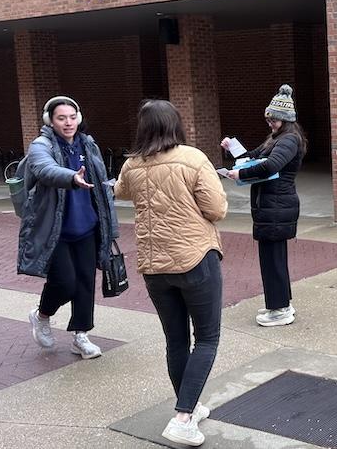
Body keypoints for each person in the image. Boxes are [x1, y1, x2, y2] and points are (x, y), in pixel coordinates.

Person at [114, 99, 227, 447]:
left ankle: (189, 408)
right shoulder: (193, 158)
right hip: (195, 258)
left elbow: (119, 191)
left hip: (154, 266)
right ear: (175, 124)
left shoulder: (132, 165)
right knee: (206, 338)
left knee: (175, 340)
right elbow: (218, 208)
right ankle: (182, 418)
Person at [17, 95, 119, 360]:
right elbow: (44, 169)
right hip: (56, 230)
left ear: (79, 118)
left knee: (85, 283)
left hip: (87, 226)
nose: (68, 122)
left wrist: (111, 224)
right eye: (61, 118)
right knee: (65, 282)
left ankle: (81, 336)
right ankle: (42, 315)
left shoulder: (88, 144)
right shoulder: (41, 145)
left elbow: (101, 183)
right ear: (50, 121)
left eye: (72, 117)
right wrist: (72, 177)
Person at [222, 84, 306, 327]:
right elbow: (251, 157)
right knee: (271, 259)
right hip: (271, 205)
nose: (270, 123)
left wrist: (242, 175)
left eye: (274, 120)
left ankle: (280, 309)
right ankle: (279, 305)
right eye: (269, 119)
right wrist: (232, 149)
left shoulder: (289, 140)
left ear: (285, 119)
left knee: (274, 260)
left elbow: (270, 166)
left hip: (278, 206)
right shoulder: (276, 139)